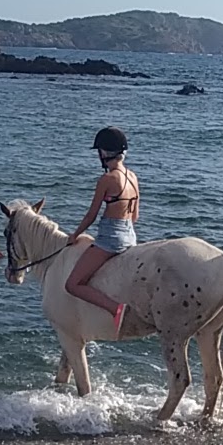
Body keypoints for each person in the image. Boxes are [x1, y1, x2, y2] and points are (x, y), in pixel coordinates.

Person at [64, 128, 139, 336]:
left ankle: (116, 309)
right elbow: (135, 216)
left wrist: (74, 235)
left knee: (72, 284)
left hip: (110, 239)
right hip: (130, 235)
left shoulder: (107, 179)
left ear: (104, 153)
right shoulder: (133, 176)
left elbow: (91, 215)